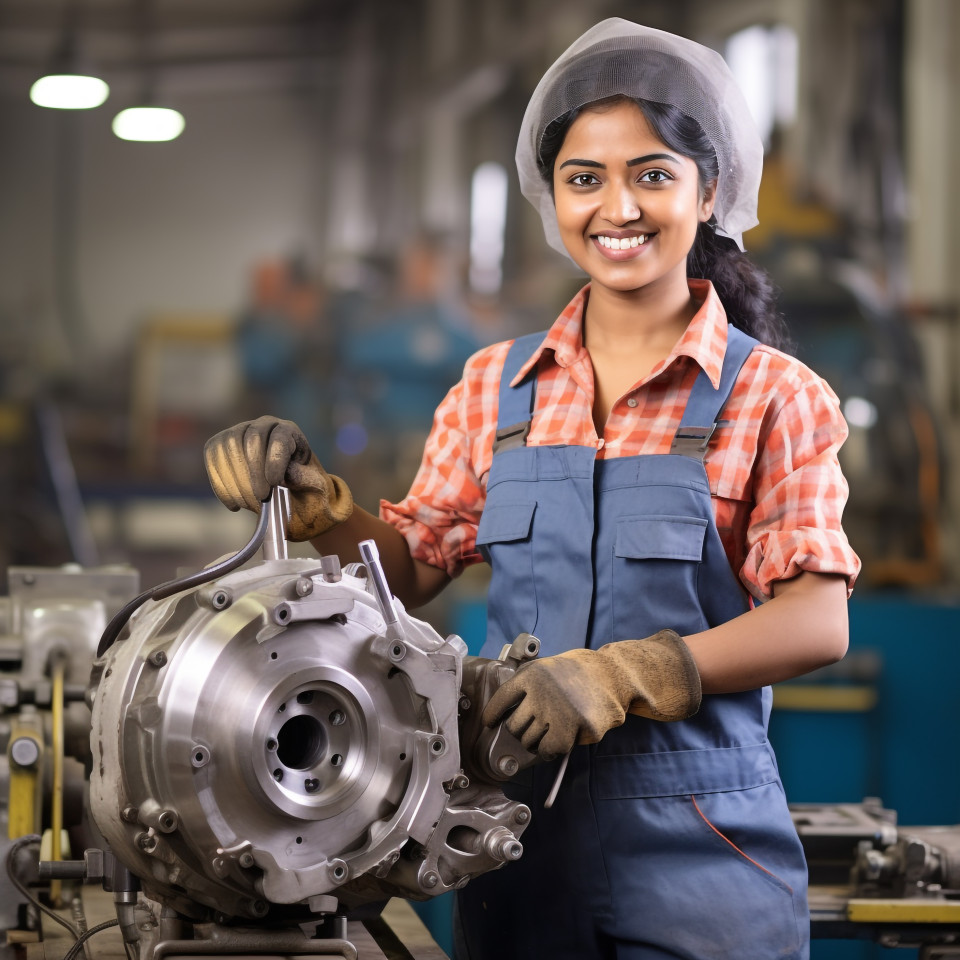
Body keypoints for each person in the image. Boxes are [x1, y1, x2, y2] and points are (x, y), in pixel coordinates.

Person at [204, 18, 859, 960]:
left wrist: (632, 673)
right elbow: (411, 569)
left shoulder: (774, 395)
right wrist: (321, 512)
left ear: (709, 191)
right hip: (509, 843)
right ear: (551, 199)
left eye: (654, 174)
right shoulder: (492, 387)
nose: (617, 207)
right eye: (584, 179)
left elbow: (816, 621)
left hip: (705, 850)